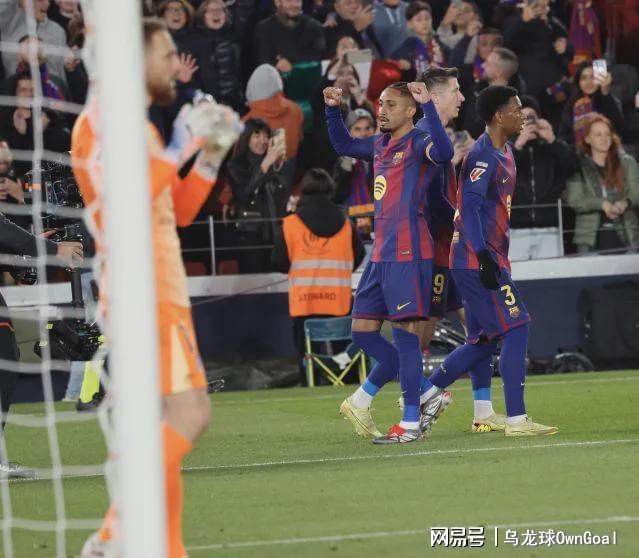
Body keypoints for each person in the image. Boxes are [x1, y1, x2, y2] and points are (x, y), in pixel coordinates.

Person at [73, 18, 241, 558]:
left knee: (163, 426)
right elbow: (129, 195)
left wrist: (209, 156)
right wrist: (185, 141)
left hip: (160, 289)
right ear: (135, 59)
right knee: (192, 415)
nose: (176, 65)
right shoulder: (101, 123)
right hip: (143, 293)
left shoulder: (137, 127)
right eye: (167, 54)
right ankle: (111, 535)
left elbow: (177, 210)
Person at [425, 85, 559, 437]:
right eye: (516, 109)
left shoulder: (506, 151)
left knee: (484, 338)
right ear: (499, 116)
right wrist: (484, 256)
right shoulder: (483, 156)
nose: (522, 116)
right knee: (517, 325)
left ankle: (427, 393)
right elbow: (467, 208)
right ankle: (517, 419)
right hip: (476, 258)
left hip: (484, 255)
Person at [325, 80, 454, 444]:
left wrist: (429, 106)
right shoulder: (380, 144)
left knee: (406, 337)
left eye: (391, 105)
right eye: (380, 104)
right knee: (362, 332)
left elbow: (445, 153)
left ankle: (410, 423)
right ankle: (428, 392)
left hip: (409, 252)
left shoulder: (419, 142)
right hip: (380, 253)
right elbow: (344, 145)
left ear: (411, 110)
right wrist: (332, 110)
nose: (381, 111)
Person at [413, 67, 507, 433]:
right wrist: (459, 220)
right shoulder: (423, 137)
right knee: (419, 336)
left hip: (450, 249)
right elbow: (428, 199)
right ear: (435, 97)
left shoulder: (437, 137)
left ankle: (481, 411)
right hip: (435, 251)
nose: (463, 97)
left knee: (482, 330)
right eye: (456, 90)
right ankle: (416, 398)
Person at [271, 168, 365, 385]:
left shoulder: (291, 224)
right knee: (343, 360)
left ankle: (309, 384)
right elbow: (359, 254)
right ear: (330, 189)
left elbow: (277, 260)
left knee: (307, 358)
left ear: (304, 190)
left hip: (305, 303)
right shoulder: (346, 223)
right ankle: (348, 388)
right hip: (339, 303)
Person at [510, 95, 578, 260]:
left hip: (550, 226)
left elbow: (574, 167)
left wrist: (552, 140)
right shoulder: (507, 150)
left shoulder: (552, 148)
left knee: (552, 274)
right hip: (516, 229)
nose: (528, 122)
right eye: (523, 118)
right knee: (516, 274)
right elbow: (497, 175)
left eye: (531, 117)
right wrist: (518, 146)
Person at [566, 114, 639, 253]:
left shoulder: (627, 162)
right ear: (588, 139)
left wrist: (625, 203)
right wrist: (602, 204)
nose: (604, 138)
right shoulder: (577, 165)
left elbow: (636, 192)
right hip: (590, 241)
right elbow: (575, 200)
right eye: (598, 135)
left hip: (627, 237)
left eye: (607, 134)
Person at [226, 118, 289, 273]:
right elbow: (243, 194)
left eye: (266, 136)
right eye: (257, 136)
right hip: (250, 234)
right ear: (246, 138)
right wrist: (264, 167)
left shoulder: (274, 164)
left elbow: (280, 196)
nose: (262, 140)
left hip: (275, 233)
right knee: (253, 281)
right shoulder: (236, 165)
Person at [242, 64, 304, 161]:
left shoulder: (247, 121)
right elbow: (299, 138)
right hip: (289, 163)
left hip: (259, 167)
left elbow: (239, 157)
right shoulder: (296, 109)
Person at [0, 0, 68, 85]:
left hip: (50, 90)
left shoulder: (57, 31)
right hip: (16, 90)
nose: (47, 4)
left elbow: (61, 75)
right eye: (40, 0)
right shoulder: (9, 22)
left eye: (48, 0)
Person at [461, 46, 521, 138]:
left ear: (498, 72)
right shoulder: (475, 90)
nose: (482, 65)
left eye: (488, 64)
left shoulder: (510, 106)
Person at [559, 61, 624, 146]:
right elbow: (563, 135)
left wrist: (605, 93)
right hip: (576, 150)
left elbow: (619, 128)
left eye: (592, 77)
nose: (588, 82)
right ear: (578, 82)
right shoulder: (573, 102)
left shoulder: (607, 97)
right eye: (584, 78)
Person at [255, 0, 326, 71]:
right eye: (289, 1)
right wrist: (277, 62)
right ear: (277, 2)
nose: (294, 5)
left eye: (298, 1)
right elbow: (264, 58)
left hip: (307, 75)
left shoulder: (314, 26)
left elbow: (319, 54)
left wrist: (285, 58)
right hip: (274, 75)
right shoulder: (264, 27)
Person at [390, 1, 448, 81]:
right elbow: (393, 60)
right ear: (409, 24)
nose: (424, 23)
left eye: (427, 18)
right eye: (419, 20)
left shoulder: (439, 45)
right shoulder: (405, 49)